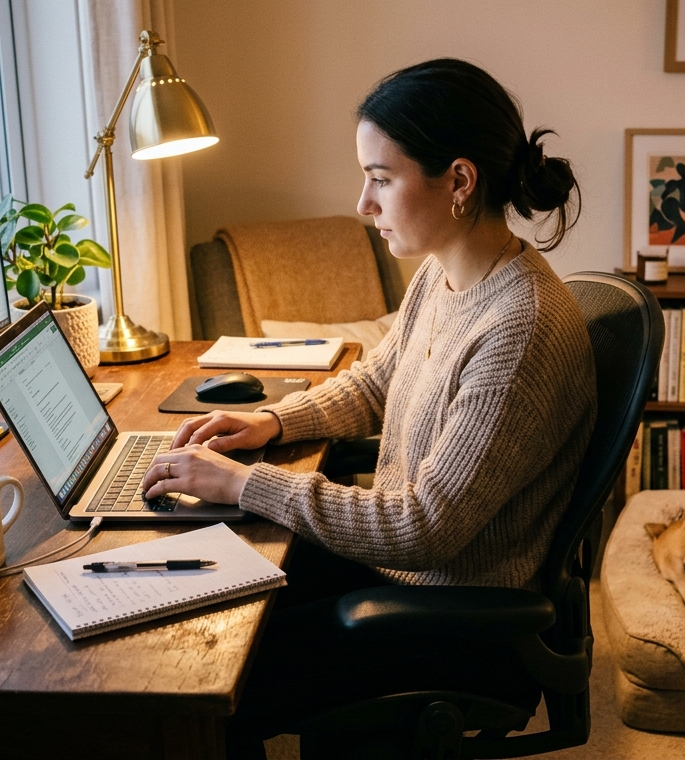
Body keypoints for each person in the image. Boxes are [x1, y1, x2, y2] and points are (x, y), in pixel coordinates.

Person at [139, 57, 597, 752]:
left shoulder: (518, 328)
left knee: (204, 676)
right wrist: (271, 422)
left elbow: (426, 527)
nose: (363, 203)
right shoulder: (448, 273)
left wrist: (246, 482)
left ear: (460, 182)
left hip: (450, 621)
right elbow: (377, 380)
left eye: (381, 178)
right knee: (197, 590)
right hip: (405, 578)